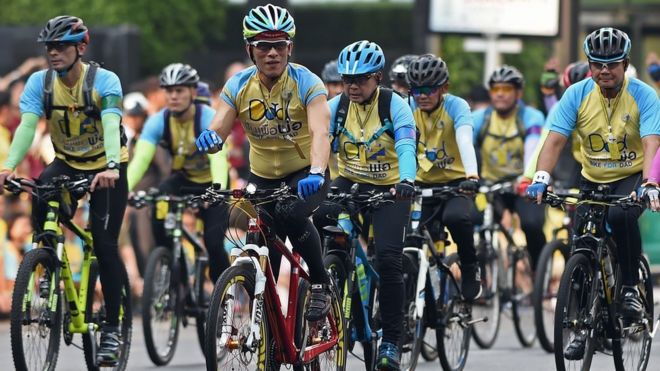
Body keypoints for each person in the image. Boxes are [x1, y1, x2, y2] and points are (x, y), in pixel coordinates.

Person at [0, 15, 129, 366]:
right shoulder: (38, 84)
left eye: (61, 46)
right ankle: (45, 268)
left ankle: (114, 329)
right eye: (49, 47)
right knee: (40, 193)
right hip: (68, 162)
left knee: (104, 244)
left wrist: (112, 167)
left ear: (81, 48)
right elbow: (28, 127)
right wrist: (9, 166)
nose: (53, 53)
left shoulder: (104, 80)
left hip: (107, 167)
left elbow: (111, 122)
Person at [195, 4, 334, 322]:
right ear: (250, 49)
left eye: (279, 45)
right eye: (263, 45)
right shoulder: (239, 85)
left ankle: (321, 285)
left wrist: (315, 171)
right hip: (263, 180)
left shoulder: (307, 83)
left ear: (290, 48)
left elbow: (320, 131)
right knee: (262, 257)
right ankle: (268, 340)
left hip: (304, 175)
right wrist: (211, 138)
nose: (272, 53)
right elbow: (220, 125)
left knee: (293, 214)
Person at [527, 27, 660, 359]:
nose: (604, 71)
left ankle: (629, 287)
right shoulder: (576, 94)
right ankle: (580, 325)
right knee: (582, 245)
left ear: (625, 63)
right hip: (592, 178)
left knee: (620, 215)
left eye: (612, 64)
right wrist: (540, 177)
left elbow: (651, 143)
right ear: (589, 65)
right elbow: (555, 139)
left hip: (631, 176)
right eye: (597, 64)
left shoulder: (644, 95)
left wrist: (649, 184)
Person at [312, 40, 417, 371]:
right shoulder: (336, 106)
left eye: (361, 79)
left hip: (391, 187)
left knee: (388, 260)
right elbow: (318, 142)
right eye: (347, 79)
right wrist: (313, 176)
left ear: (379, 77)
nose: (353, 86)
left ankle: (391, 341)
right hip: (350, 180)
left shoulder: (395, 105)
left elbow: (405, 145)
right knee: (318, 217)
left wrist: (407, 181)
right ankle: (327, 282)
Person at [127, 63, 230, 284]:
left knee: (213, 243)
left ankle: (222, 292)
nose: (173, 96)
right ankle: (170, 260)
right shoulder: (158, 121)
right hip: (183, 179)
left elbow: (218, 158)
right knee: (157, 205)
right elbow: (140, 161)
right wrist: (123, 190)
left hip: (213, 183)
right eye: (169, 91)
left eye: (179, 90)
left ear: (193, 92)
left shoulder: (207, 117)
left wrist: (218, 189)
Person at [406, 54, 482, 300]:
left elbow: (464, 139)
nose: (422, 96)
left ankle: (470, 266)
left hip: (456, 183)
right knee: (409, 237)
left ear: (444, 88)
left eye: (429, 89)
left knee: (456, 217)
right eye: (416, 90)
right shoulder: (407, 107)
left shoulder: (457, 106)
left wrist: (471, 174)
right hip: (419, 185)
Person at [472, 65, 546, 270]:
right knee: (471, 221)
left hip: (522, 185)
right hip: (491, 187)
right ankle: (483, 277)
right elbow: (466, 148)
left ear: (518, 93)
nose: (501, 94)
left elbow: (533, 148)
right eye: (496, 90)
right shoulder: (480, 118)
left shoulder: (531, 117)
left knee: (532, 225)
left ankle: (539, 271)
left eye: (507, 89)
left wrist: (525, 179)